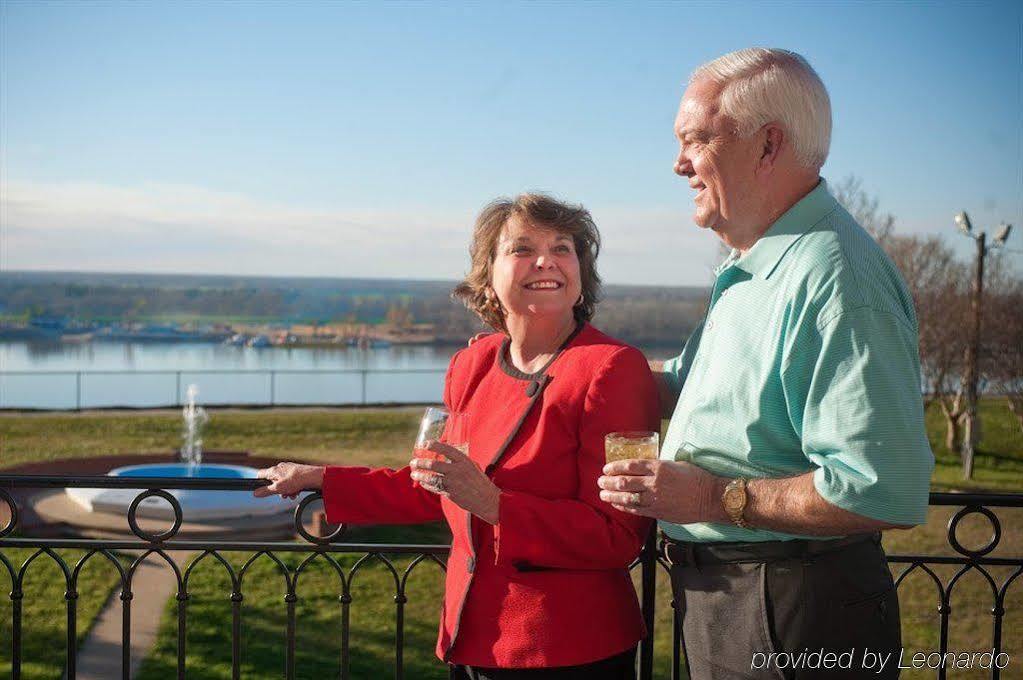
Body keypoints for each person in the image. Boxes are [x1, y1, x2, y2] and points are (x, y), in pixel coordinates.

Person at [598, 48, 935, 679]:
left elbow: (879, 486)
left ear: (767, 145)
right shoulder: (754, 264)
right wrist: (560, 372)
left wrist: (710, 496)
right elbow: (690, 385)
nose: (678, 164)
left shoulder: (837, 278)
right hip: (743, 598)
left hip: (792, 608)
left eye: (694, 141)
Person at [255, 193, 660, 679]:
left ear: (580, 272)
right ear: (488, 274)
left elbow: (617, 537)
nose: (545, 261)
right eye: (521, 248)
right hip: (471, 634)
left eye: (562, 248)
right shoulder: (471, 365)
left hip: (567, 648)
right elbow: (439, 487)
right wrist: (321, 477)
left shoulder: (612, 368)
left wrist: (495, 505)